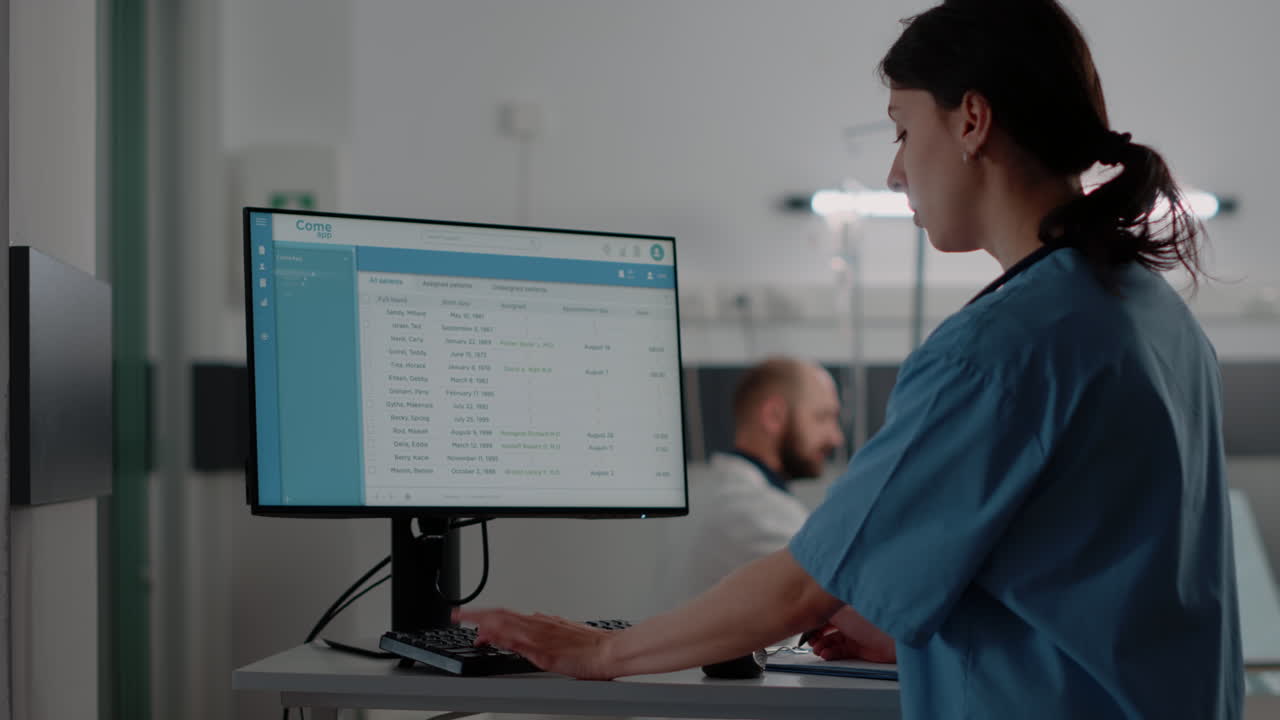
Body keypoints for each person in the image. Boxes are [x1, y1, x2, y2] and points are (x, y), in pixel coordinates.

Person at [457, 1, 1243, 716]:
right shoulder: (1153, 313)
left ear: (972, 121)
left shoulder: (1000, 350)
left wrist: (601, 651)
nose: (895, 172)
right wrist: (920, 641)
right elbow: (1101, 589)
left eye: (903, 130)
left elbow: (800, 587)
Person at [666, 356, 843, 605]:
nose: (836, 438)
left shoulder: (707, 493)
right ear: (774, 416)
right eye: (822, 417)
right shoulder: (752, 511)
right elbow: (841, 594)